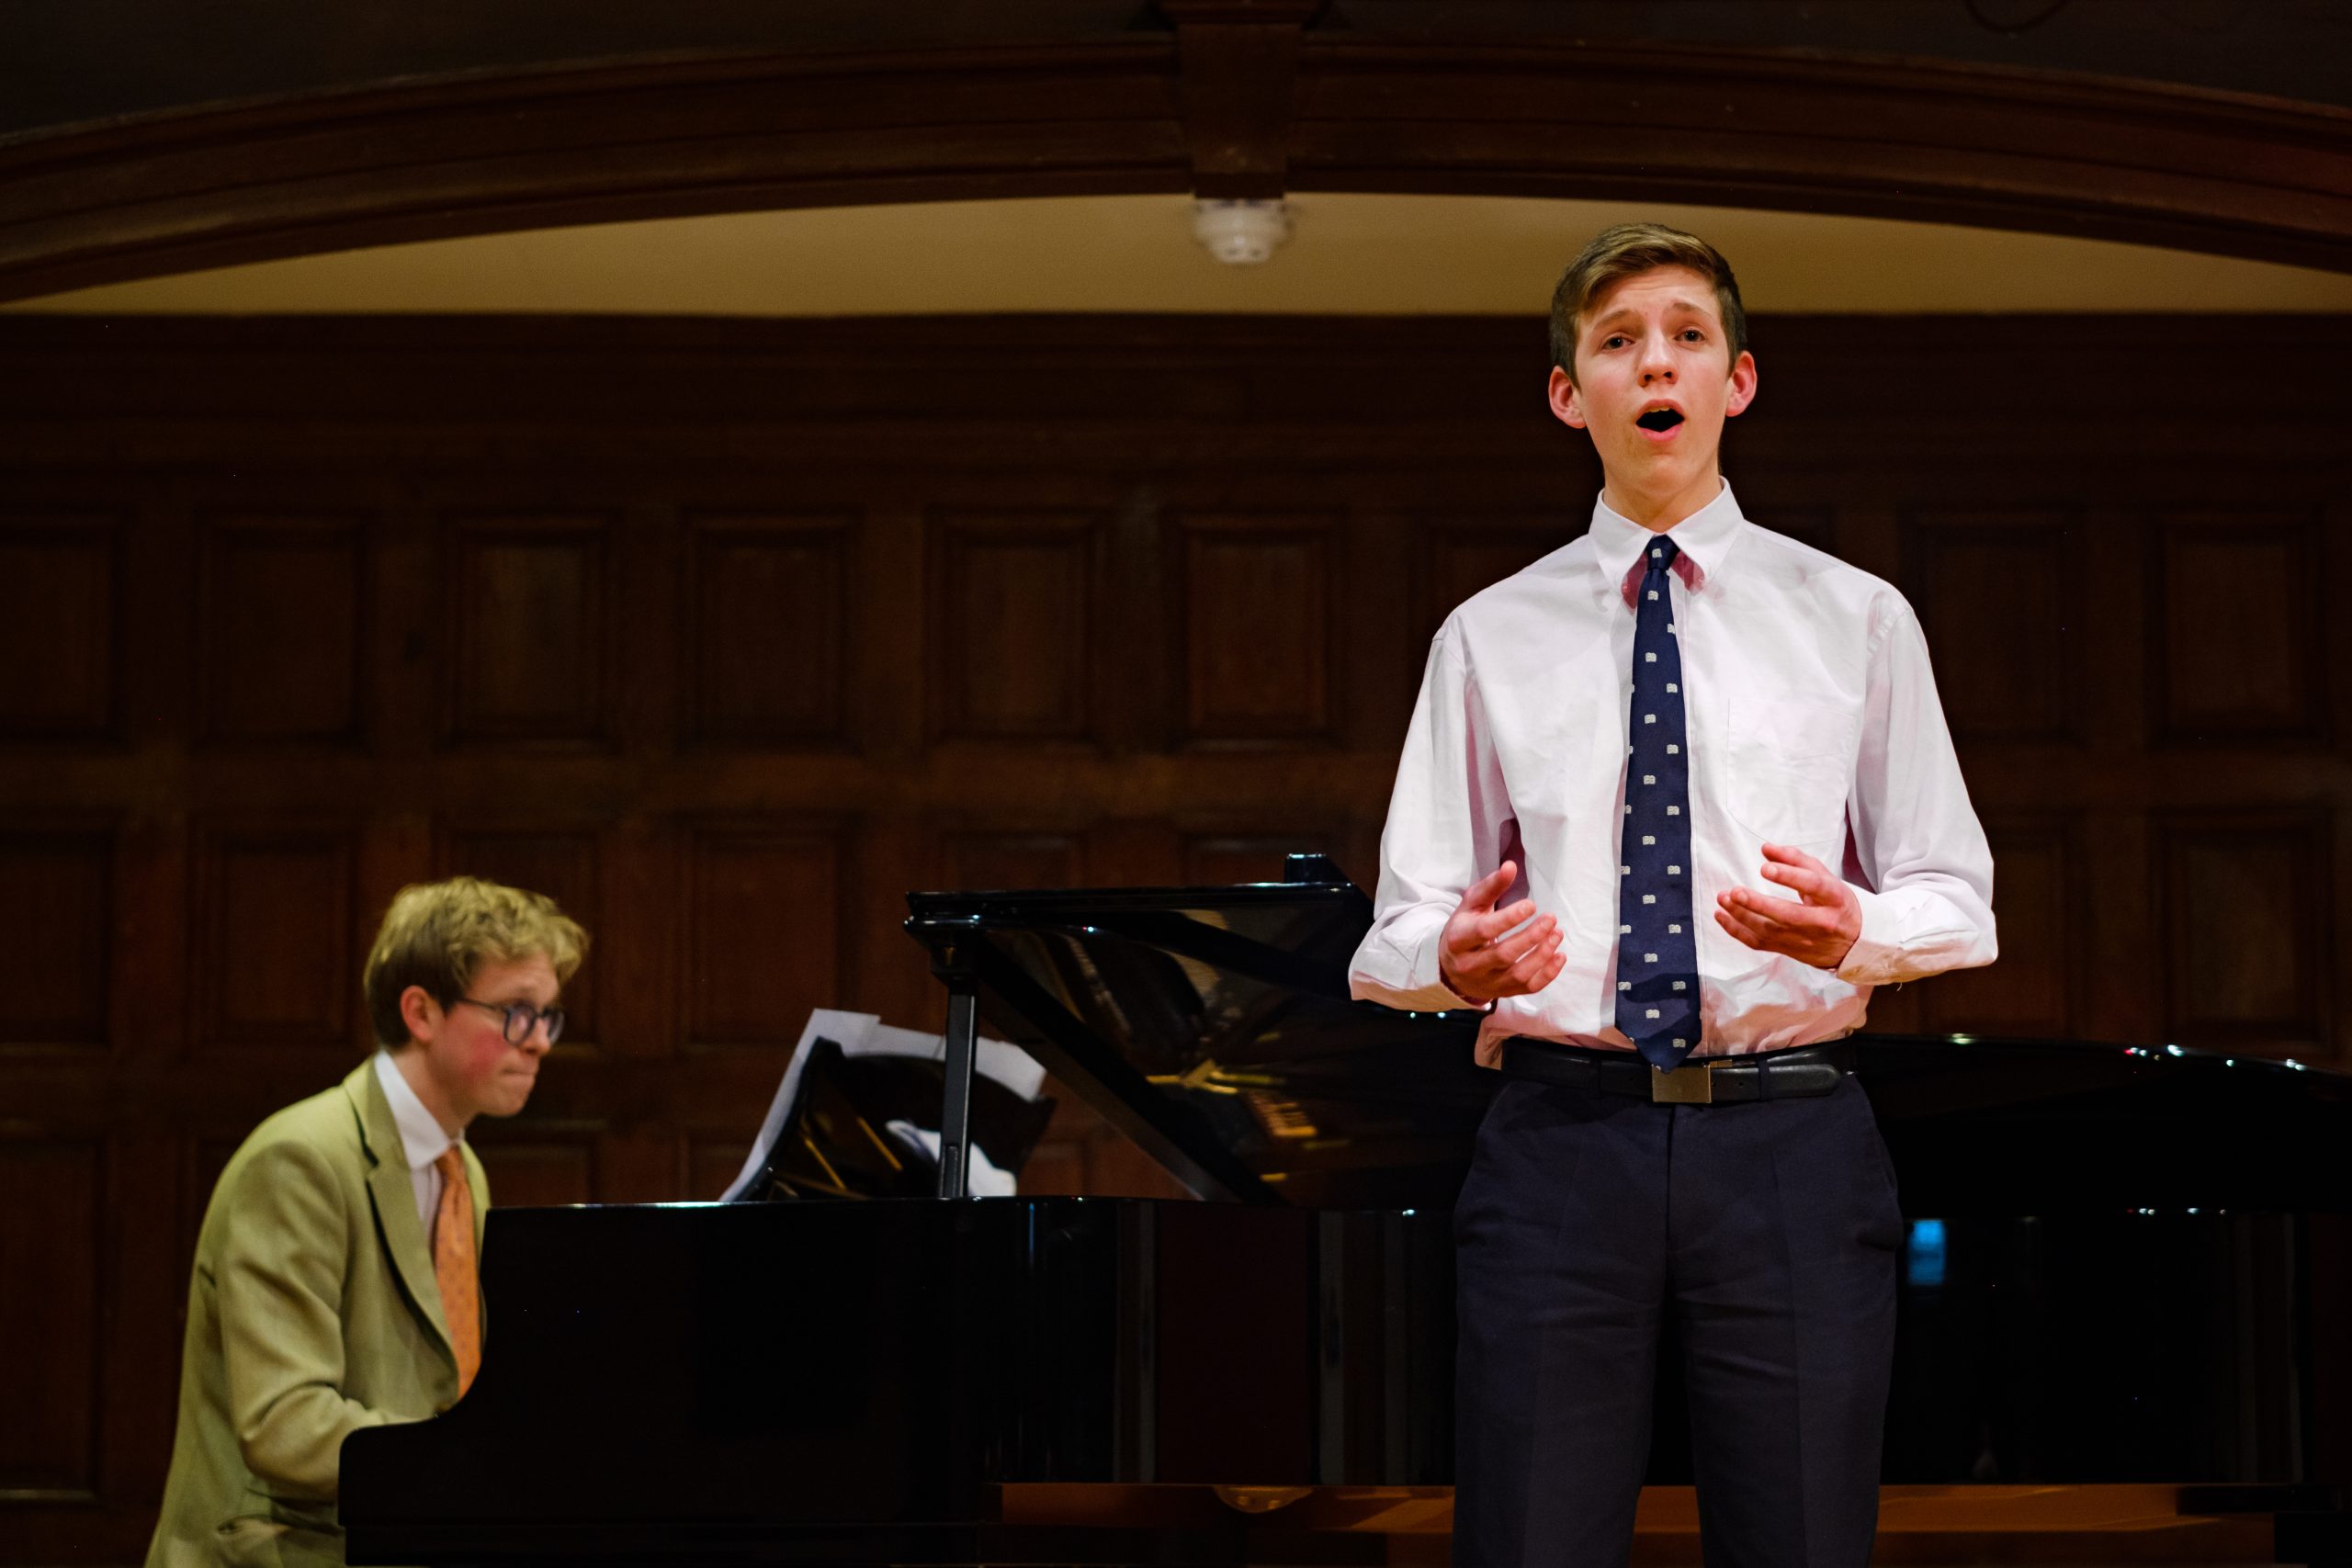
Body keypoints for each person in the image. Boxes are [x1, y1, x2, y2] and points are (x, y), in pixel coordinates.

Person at [1350, 223, 1996, 1567]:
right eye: (1618, 341)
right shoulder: (1485, 634)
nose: (1657, 363)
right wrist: (1452, 962)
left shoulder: (1857, 617)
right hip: (1560, 1141)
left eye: (1688, 336)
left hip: (1790, 1142)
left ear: (1736, 381)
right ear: (1567, 392)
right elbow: (1397, 927)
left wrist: (1858, 931)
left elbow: (1956, 897)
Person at [147, 877, 588, 1568]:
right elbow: (286, 1424)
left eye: (548, 1017)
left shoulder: (461, 1169)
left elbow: (450, 1390)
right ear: (421, 1012)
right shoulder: (301, 1159)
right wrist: (471, 1463)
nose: (539, 1043)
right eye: (516, 1012)